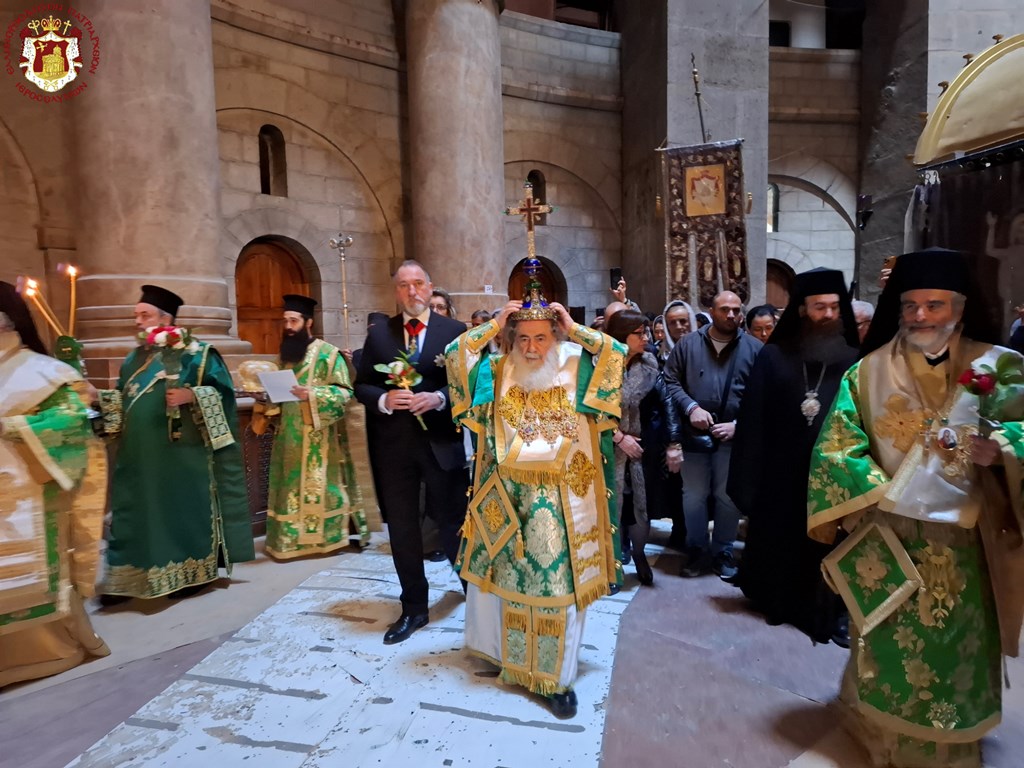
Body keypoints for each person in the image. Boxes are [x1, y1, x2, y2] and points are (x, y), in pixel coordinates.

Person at [808, 248, 1024, 768]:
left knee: (954, 648)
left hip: (968, 546)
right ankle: (880, 732)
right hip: (892, 537)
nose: (921, 316)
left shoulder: (1001, 367)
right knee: (887, 644)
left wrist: (1005, 448)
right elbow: (836, 449)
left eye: (934, 304)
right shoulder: (867, 373)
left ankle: (951, 742)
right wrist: (882, 494)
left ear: (960, 307)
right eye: (911, 305)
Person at [444, 267, 625, 718]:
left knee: (555, 588)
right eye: (522, 338)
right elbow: (454, 357)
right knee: (504, 583)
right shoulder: (495, 370)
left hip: (562, 503)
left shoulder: (576, 366)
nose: (531, 347)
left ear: (554, 335)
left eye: (541, 337)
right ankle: (504, 658)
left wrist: (576, 328)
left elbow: (616, 355)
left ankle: (554, 679)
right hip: (507, 497)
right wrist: (492, 325)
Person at [97, 285, 254, 602]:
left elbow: (224, 396)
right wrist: (97, 397)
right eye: (136, 315)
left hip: (181, 455)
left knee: (180, 512)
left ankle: (192, 573)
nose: (137, 321)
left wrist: (191, 395)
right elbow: (122, 401)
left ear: (166, 319)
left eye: (145, 315)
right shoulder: (134, 358)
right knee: (134, 513)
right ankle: (128, 577)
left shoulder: (197, 353)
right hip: (137, 455)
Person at [727, 269, 858, 645]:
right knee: (781, 540)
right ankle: (778, 602)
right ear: (803, 310)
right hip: (780, 474)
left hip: (832, 473)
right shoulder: (773, 356)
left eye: (834, 306)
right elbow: (753, 420)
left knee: (828, 547)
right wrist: (748, 478)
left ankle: (829, 613)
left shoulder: (853, 359)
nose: (828, 314)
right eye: (820, 307)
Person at [0, 283, 110, 687]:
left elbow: (74, 424)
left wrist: (11, 427)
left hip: (28, 491)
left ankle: (49, 650)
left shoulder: (43, 372)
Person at [355, 261, 469, 645]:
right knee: (403, 529)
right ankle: (414, 608)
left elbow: (470, 384)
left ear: (430, 287)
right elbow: (362, 386)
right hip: (395, 449)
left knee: (454, 523)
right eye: (404, 285)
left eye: (418, 283)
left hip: (442, 444)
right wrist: (384, 399)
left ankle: (474, 592)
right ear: (396, 292)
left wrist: (439, 398)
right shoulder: (379, 335)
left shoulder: (454, 332)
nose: (412, 291)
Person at [663, 291, 760, 579]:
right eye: (724, 309)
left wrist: (739, 425)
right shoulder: (688, 345)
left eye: (736, 310)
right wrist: (691, 407)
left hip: (733, 437)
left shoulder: (754, 348)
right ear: (711, 310)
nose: (731, 315)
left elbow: (761, 394)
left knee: (726, 496)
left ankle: (722, 551)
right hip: (695, 436)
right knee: (693, 495)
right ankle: (696, 548)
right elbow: (670, 381)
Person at [263, 294, 369, 559]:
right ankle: (289, 541)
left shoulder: (329, 354)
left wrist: (311, 394)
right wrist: (265, 396)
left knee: (322, 488)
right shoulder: (283, 356)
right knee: (288, 489)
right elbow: (276, 396)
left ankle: (323, 539)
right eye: (286, 321)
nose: (288, 326)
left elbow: (345, 392)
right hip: (288, 436)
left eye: (294, 320)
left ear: (308, 322)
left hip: (319, 437)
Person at [604, 309, 679, 587]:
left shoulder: (649, 364)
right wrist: (617, 436)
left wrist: (673, 441)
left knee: (640, 506)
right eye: (639, 333)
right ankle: (610, 565)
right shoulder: (599, 365)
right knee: (609, 507)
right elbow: (588, 408)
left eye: (646, 332)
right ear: (622, 336)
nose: (646, 337)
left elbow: (666, 401)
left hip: (642, 448)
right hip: (606, 447)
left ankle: (638, 555)